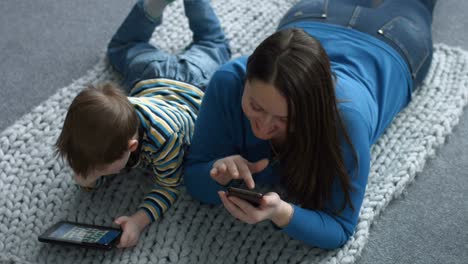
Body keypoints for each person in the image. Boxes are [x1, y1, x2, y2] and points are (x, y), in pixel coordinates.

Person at [184, 0, 436, 249]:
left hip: (394, 41)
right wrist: (217, 172)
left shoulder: (345, 119)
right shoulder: (229, 81)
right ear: (246, 79)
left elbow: (340, 227)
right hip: (314, 17)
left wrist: (282, 213)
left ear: (313, 109)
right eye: (256, 106)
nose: (263, 127)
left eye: (284, 118)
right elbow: (194, 177)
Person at [55, 0, 230, 248]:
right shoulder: (114, 114)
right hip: (151, 74)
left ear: (132, 145)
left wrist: (138, 220)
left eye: (103, 170)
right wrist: (87, 177)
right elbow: (95, 145)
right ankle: (150, 8)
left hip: (194, 78)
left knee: (215, 45)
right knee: (121, 48)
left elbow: (169, 186)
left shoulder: (165, 140)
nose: (99, 174)